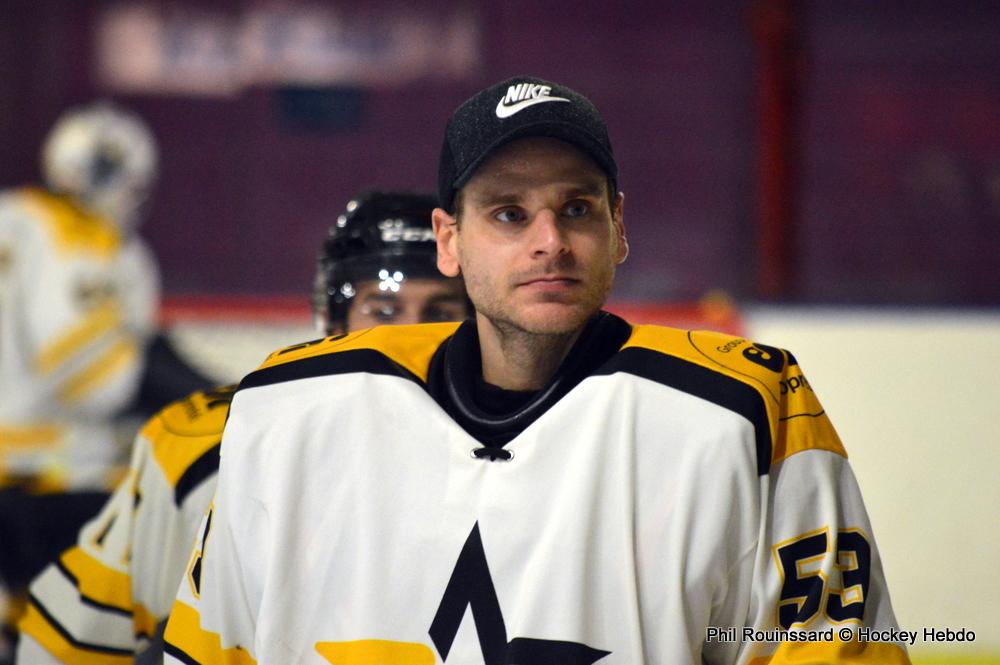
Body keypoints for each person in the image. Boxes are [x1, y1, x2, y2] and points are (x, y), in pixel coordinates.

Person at [163, 77, 911, 664]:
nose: (549, 240)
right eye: (509, 213)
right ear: (449, 240)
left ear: (619, 229)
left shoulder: (744, 410)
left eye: (577, 208)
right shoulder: (287, 415)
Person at [14, 191, 469, 663]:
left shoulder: (512, 461)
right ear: (332, 321)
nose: (408, 335)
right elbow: (66, 646)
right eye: (384, 311)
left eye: (441, 313)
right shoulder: (206, 452)